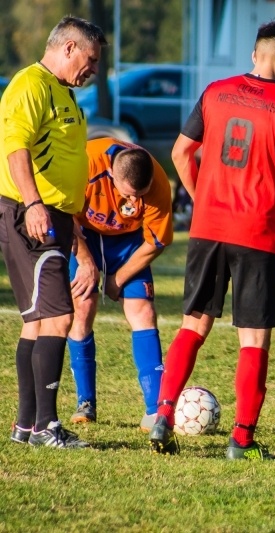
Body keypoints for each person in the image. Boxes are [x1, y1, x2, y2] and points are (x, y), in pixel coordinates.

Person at [149, 21, 275, 459]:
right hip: (256, 236)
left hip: (207, 229)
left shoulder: (215, 92)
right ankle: (242, 439)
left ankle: (162, 416)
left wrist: (204, 199)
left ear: (256, 54)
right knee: (253, 340)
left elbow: (180, 152)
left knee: (193, 328)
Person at [0, 16, 106, 449]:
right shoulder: (31, 85)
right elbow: (15, 147)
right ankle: (47, 426)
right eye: (91, 59)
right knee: (61, 317)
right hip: (31, 216)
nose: (94, 70)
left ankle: (25, 427)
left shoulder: (64, 94)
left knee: (36, 325)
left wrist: (75, 231)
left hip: (55, 218)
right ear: (68, 48)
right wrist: (34, 204)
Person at [67, 137, 173, 432]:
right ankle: (85, 402)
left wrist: (118, 279)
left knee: (144, 313)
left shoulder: (159, 183)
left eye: (142, 195)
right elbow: (63, 215)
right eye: (128, 195)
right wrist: (86, 261)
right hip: (84, 234)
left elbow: (156, 242)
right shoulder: (85, 163)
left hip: (129, 245)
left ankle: (155, 410)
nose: (135, 203)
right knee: (83, 306)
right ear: (112, 175)